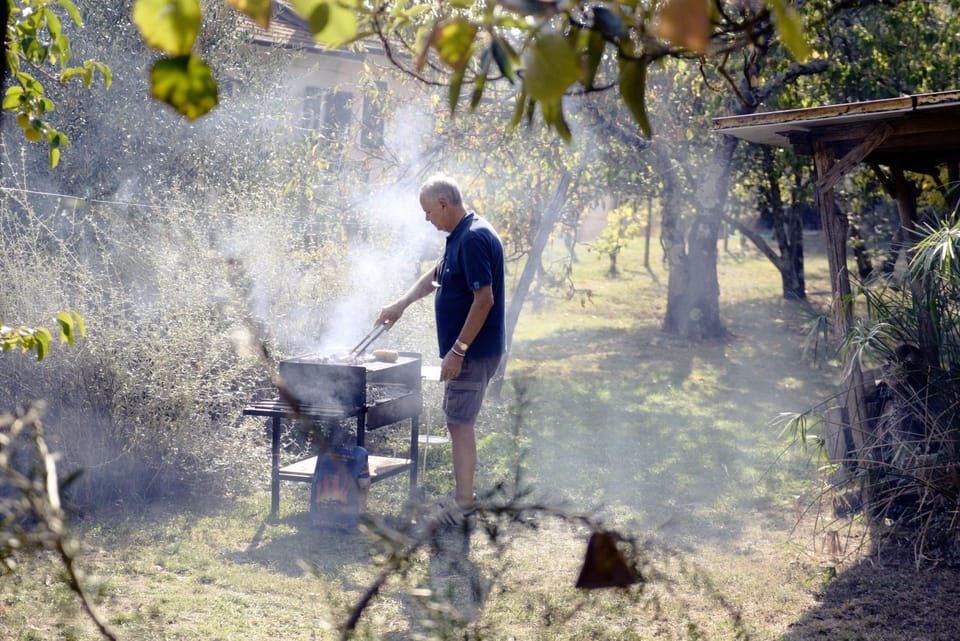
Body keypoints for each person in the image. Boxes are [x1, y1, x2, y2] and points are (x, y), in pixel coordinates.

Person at [376, 173, 505, 526]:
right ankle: (463, 498)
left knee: (460, 423)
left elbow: (484, 300)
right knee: (457, 420)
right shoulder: (461, 235)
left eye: (428, 211)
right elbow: (437, 275)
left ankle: (463, 505)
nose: (426, 218)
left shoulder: (473, 238)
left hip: (474, 351)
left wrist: (458, 350)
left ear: (443, 204)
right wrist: (400, 304)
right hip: (470, 350)